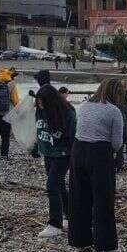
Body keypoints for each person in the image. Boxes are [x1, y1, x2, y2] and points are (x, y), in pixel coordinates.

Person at [69, 78, 125, 252]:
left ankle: (80, 242)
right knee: (103, 200)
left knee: (79, 198)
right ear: (116, 93)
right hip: (99, 153)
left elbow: (79, 128)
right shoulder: (114, 111)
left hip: (78, 150)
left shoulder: (84, 105)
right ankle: (106, 246)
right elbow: (116, 143)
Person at [32, 85, 77, 238]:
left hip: (63, 154)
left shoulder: (67, 113)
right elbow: (38, 129)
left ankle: (55, 224)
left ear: (51, 102)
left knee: (52, 185)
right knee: (59, 186)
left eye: (42, 102)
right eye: (38, 103)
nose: (40, 105)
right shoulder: (39, 110)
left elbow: (73, 137)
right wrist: (35, 146)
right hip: (48, 152)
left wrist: (75, 156)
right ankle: (70, 216)